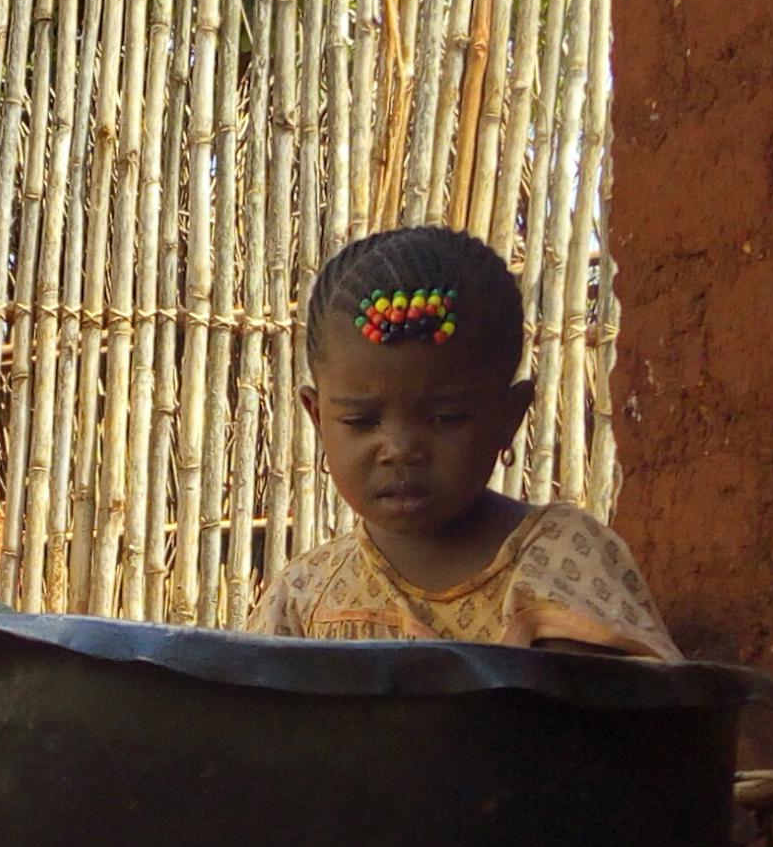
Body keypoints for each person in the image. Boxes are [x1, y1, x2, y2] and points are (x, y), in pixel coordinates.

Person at [248, 224, 679, 660]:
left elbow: (585, 700)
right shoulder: (304, 598)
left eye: (445, 417)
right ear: (317, 418)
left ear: (510, 417)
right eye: (361, 421)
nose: (400, 448)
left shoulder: (561, 565)